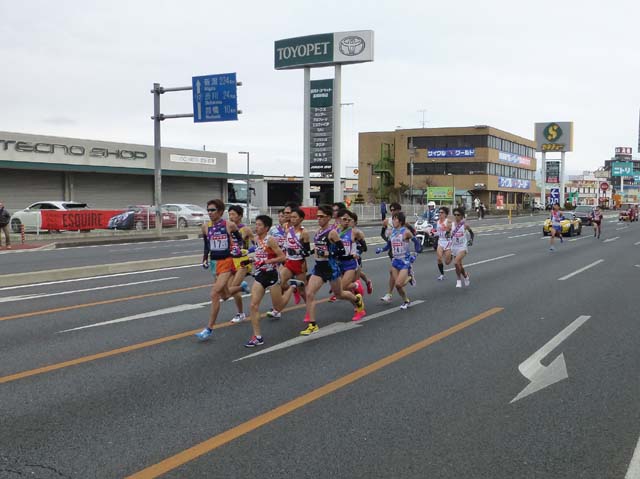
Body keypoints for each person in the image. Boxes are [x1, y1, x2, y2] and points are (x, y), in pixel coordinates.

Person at [300, 205, 365, 335]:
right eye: (317, 216)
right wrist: (309, 251)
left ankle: (357, 300)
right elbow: (319, 247)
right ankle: (312, 324)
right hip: (319, 267)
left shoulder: (332, 232)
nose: (319, 219)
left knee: (339, 294)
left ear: (329, 217)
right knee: (309, 293)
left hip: (331, 267)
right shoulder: (318, 232)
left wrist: (328, 254)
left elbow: (341, 250)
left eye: (322, 216)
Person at [196, 199, 239, 341]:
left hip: (227, 261)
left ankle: (209, 328)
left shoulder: (229, 225)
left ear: (220, 211)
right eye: (208, 210)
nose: (210, 213)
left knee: (214, 293)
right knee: (224, 296)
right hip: (214, 262)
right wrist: (204, 258)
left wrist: (237, 249)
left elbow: (239, 240)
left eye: (213, 210)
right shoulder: (205, 227)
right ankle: (241, 287)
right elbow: (206, 246)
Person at [244, 215, 286, 348]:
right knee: (253, 305)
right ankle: (257, 337)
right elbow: (259, 255)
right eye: (256, 224)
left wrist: (267, 261)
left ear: (266, 228)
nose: (256, 227)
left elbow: (282, 257)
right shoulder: (256, 239)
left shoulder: (270, 240)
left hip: (272, 275)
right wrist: (251, 260)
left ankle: (291, 287)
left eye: (259, 225)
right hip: (260, 275)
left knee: (278, 307)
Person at [375, 212, 419, 309]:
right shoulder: (392, 232)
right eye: (393, 219)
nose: (393, 221)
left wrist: (415, 255)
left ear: (400, 221)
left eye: (395, 219)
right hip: (395, 261)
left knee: (399, 283)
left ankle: (410, 277)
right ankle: (406, 301)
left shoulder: (406, 232)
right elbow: (388, 246)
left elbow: (417, 243)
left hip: (404, 261)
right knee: (397, 286)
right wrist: (381, 249)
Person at [227, 205, 253, 323]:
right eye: (229, 214)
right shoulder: (227, 228)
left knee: (232, 288)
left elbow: (257, 244)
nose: (231, 217)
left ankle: (242, 287)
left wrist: (249, 251)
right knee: (231, 289)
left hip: (242, 262)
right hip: (230, 261)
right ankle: (241, 313)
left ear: (240, 216)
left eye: (233, 214)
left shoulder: (245, 229)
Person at [449, 207, 475, 288]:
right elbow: (447, 233)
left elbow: (472, 233)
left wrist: (471, 240)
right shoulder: (451, 225)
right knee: (459, 265)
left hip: (462, 247)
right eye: (455, 215)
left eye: (458, 215)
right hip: (454, 247)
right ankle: (466, 276)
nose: (456, 216)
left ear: (462, 216)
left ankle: (458, 280)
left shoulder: (465, 225)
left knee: (456, 262)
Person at [435, 206, 452, 280]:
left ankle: (451, 255)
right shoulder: (437, 222)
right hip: (441, 241)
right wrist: (432, 233)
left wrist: (448, 231)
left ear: (445, 214)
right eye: (439, 212)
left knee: (447, 262)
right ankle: (442, 274)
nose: (440, 214)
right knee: (439, 258)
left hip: (448, 242)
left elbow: (451, 231)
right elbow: (437, 232)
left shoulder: (448, 221)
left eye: (442, 212)